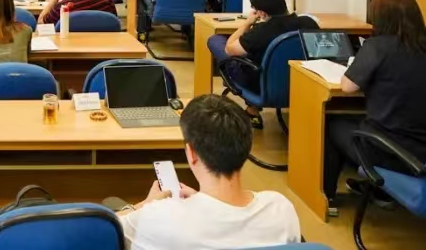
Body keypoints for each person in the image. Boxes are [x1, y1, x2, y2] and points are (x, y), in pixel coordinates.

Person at [112, 95, 301, 249]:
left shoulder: (158, 217)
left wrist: (143, 205)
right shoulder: (281, 209)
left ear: (192, 153)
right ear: (247, 147)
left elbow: (101, 229)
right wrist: (200, 201)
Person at [323, 0, 426, 204]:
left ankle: (327, 196)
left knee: (333, 124)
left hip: (385, 152)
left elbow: (347, 87)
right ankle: (380, 190)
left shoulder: (377, 47)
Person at [214, 0, 318, 127]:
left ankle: (252, 108)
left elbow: (229, 49)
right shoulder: (310, 23)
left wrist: (247, 23)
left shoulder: (261, 32)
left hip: (262, 85)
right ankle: (252, 109)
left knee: (216, 41)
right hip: (305, 87)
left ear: (261, 13)